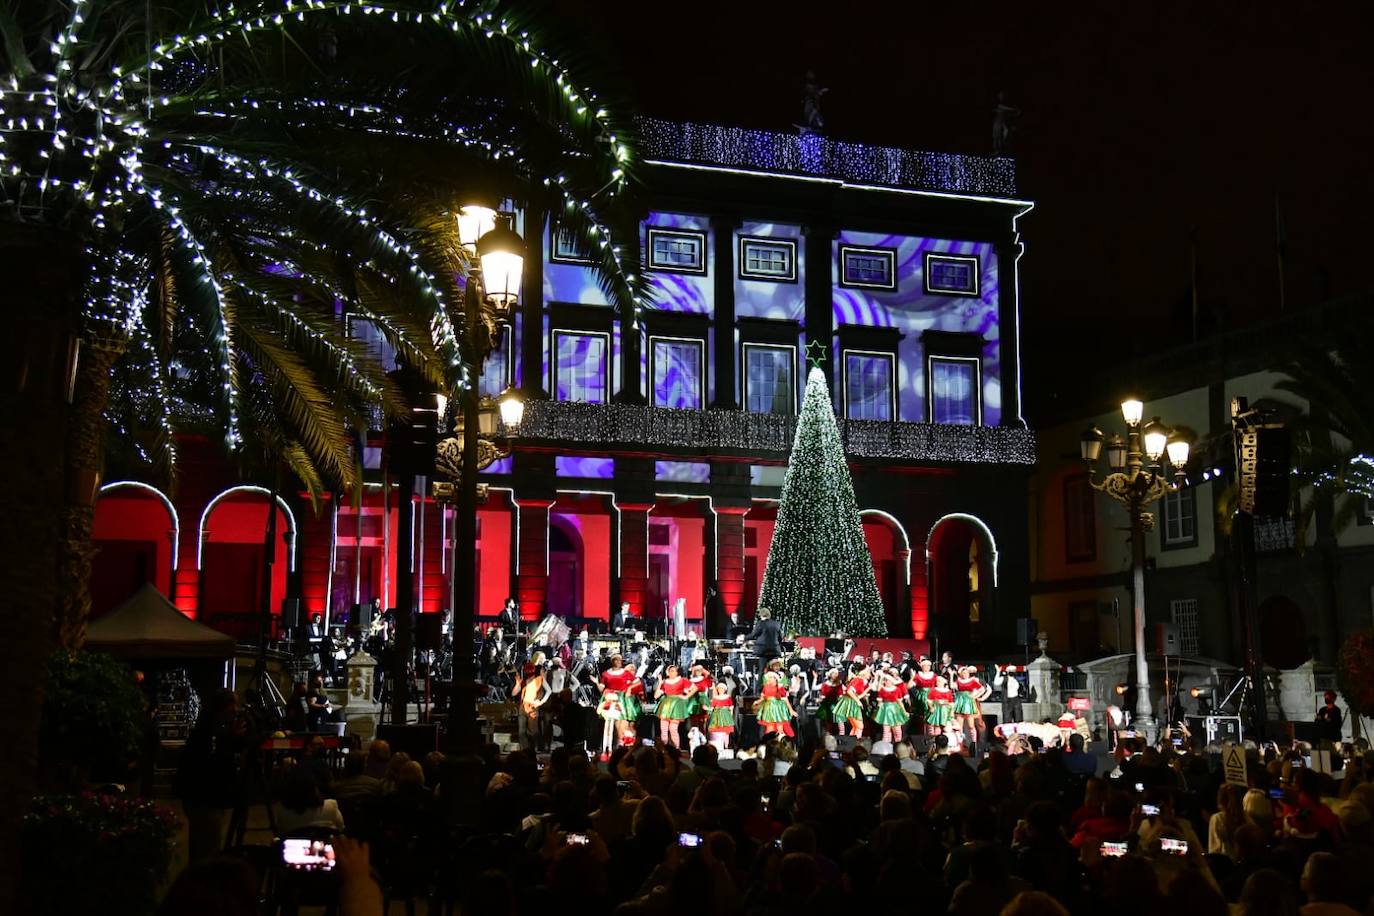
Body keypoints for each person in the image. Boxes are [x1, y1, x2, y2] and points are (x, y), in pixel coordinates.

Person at [175, 689, 247, 863]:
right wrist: (231, 738)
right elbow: (213, 760)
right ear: (223, 707)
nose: (235, 711)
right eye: (232, 706)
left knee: (202, 846)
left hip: (202, 798)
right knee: (207, 848)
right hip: (205, 798)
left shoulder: (213, 728)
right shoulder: (210, 731)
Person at [512, 654, 550, 751]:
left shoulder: (539, 679)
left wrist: (540, 702)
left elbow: (549, 691)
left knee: (534, 730)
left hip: (533, 707)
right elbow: (514, 693)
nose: (528, 672)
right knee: (521, 731)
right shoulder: (523, 681)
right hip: (523, 706)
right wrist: (517, 684)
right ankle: (525, 750)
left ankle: (541, 748)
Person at [755, 658, 796, 738]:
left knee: (783, 724)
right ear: (771, 666)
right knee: (771, 725)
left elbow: (785, 686)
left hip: (781, 701)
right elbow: (766, 689)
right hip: (770, 703)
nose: (777, 667)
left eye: (778, 666)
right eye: (775, 666)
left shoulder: (782, 674)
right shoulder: (767, 676)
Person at [655, 664, 692, 752]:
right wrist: (660, 683)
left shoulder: (682, 681)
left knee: (673, 729)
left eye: (675, 671)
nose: (673, 672)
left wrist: (686, 696)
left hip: (676, 706)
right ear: (668, 673)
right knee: (663, 729)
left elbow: (693, 688)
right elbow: (656, 696)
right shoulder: (665, 682)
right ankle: (664, 749)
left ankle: (676, 749)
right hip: (666, 707)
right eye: (671, 671)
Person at [873, 668, 911, 745]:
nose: (886, 682)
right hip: (885, 711)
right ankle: (886, 746)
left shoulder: (897, 690)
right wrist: (878, 708)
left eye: (887, 680)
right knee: (886, 730)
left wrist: (904, 711)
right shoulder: (882, 690)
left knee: (897, 730)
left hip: (895, 711)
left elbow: (899, 702)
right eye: (885, 680)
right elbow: (879, 701)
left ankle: (898, 745)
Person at [834, 664, 870, 738]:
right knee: (859, 726)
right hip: (851, 703)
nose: (869, 673)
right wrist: (858, 701)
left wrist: (867, 690)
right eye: (868, 671)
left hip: (850, 701)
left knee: (856, 726)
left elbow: (858, 695)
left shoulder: (859, 680)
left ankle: (852, 742)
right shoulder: (859, 680)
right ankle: (856, 743)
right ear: (863, 672)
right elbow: (849, 691)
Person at [707, 681, 736, 753]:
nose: (721, 690)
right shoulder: (715, 698)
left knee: (726, 731)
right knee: (718, 731)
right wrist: (707, 709)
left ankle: (726, 745)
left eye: (722, 689)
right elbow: (712, 707)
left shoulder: (727, 697)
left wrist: (730, 716)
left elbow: (731, 707)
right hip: (717, 716)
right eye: (719, 689)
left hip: (725, 715)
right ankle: (719, 746)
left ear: (724, 689)